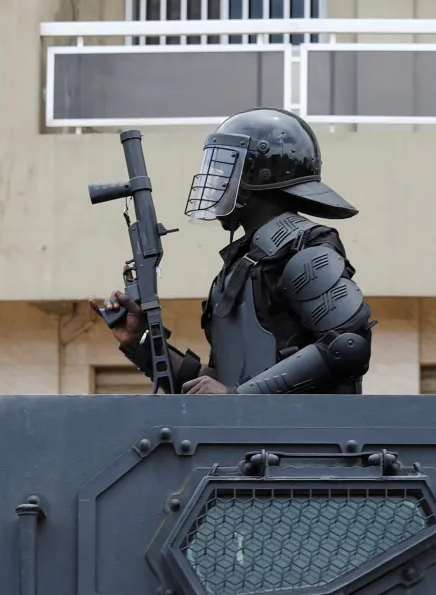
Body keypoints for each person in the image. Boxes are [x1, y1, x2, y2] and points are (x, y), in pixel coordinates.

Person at [101, 109, 372, 394]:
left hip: (303, 424)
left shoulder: (305, 247)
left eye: (226, 169)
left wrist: (237, 398)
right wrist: (141, 342)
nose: (217, 180)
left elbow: (347, 347)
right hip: (248, 423)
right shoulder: (243, 264)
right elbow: (217, 384)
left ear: (259, 175)